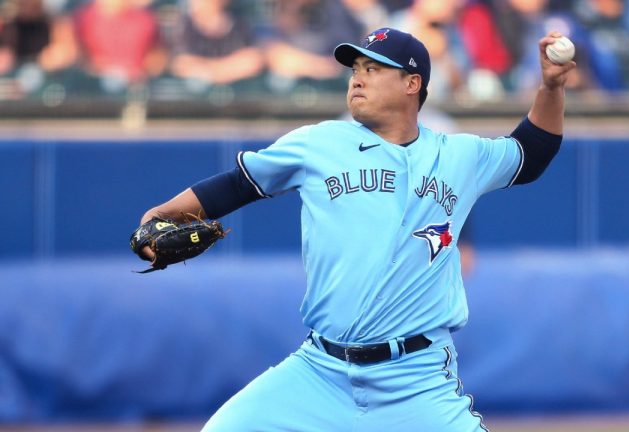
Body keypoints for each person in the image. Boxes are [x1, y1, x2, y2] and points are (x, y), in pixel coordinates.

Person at [133, 27, 574, 431]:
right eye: (355, 69)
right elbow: (236, 186)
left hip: (416, 379)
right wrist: (162, 213)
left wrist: (550, 87)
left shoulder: (459, 155)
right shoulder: (319, 143)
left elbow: (532, 152)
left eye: (373, 68)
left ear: (412, 83)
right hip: (319, 372)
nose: (357, 79)